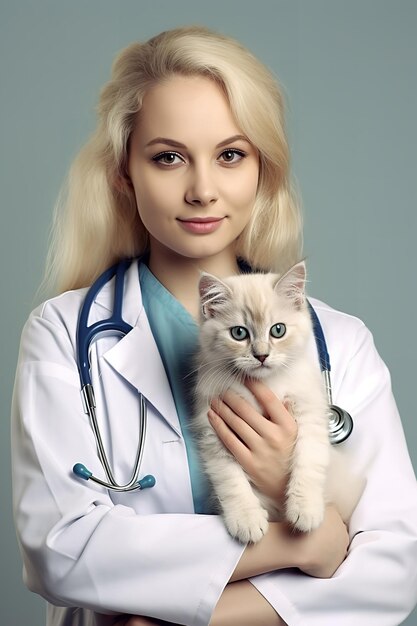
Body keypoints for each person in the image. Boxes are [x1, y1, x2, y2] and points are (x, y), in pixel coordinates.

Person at [11, 25, 417, 626]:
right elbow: (58, 553)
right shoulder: (63, 334)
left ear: (263, 171)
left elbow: (395, 572)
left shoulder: (343, 344)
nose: (202, 190)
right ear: (125, 173)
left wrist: (203, 611)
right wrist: (308, 543)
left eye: (230, 155)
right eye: (168, 157)